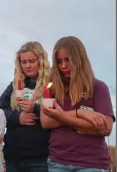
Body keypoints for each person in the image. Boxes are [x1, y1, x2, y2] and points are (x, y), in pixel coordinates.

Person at [40, 36, 115, 172]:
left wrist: (61, 117)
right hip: (58, 162)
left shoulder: (99, 88)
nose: (63, 66)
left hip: (91, 164)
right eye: (59, 61)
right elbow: (45, 121)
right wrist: (80, 113)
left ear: (80, 59)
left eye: (68, 60)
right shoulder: (53, 88)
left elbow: (106, 128)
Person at [0, 41, 51, 172]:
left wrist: (36, 109)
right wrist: (17, 117)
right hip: (13, 157)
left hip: (41, 158)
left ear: (41, 60)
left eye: (31, 61)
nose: (27, 66)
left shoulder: (51, 84)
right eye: (23, 62)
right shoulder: (15, 85)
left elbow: (59, 112)